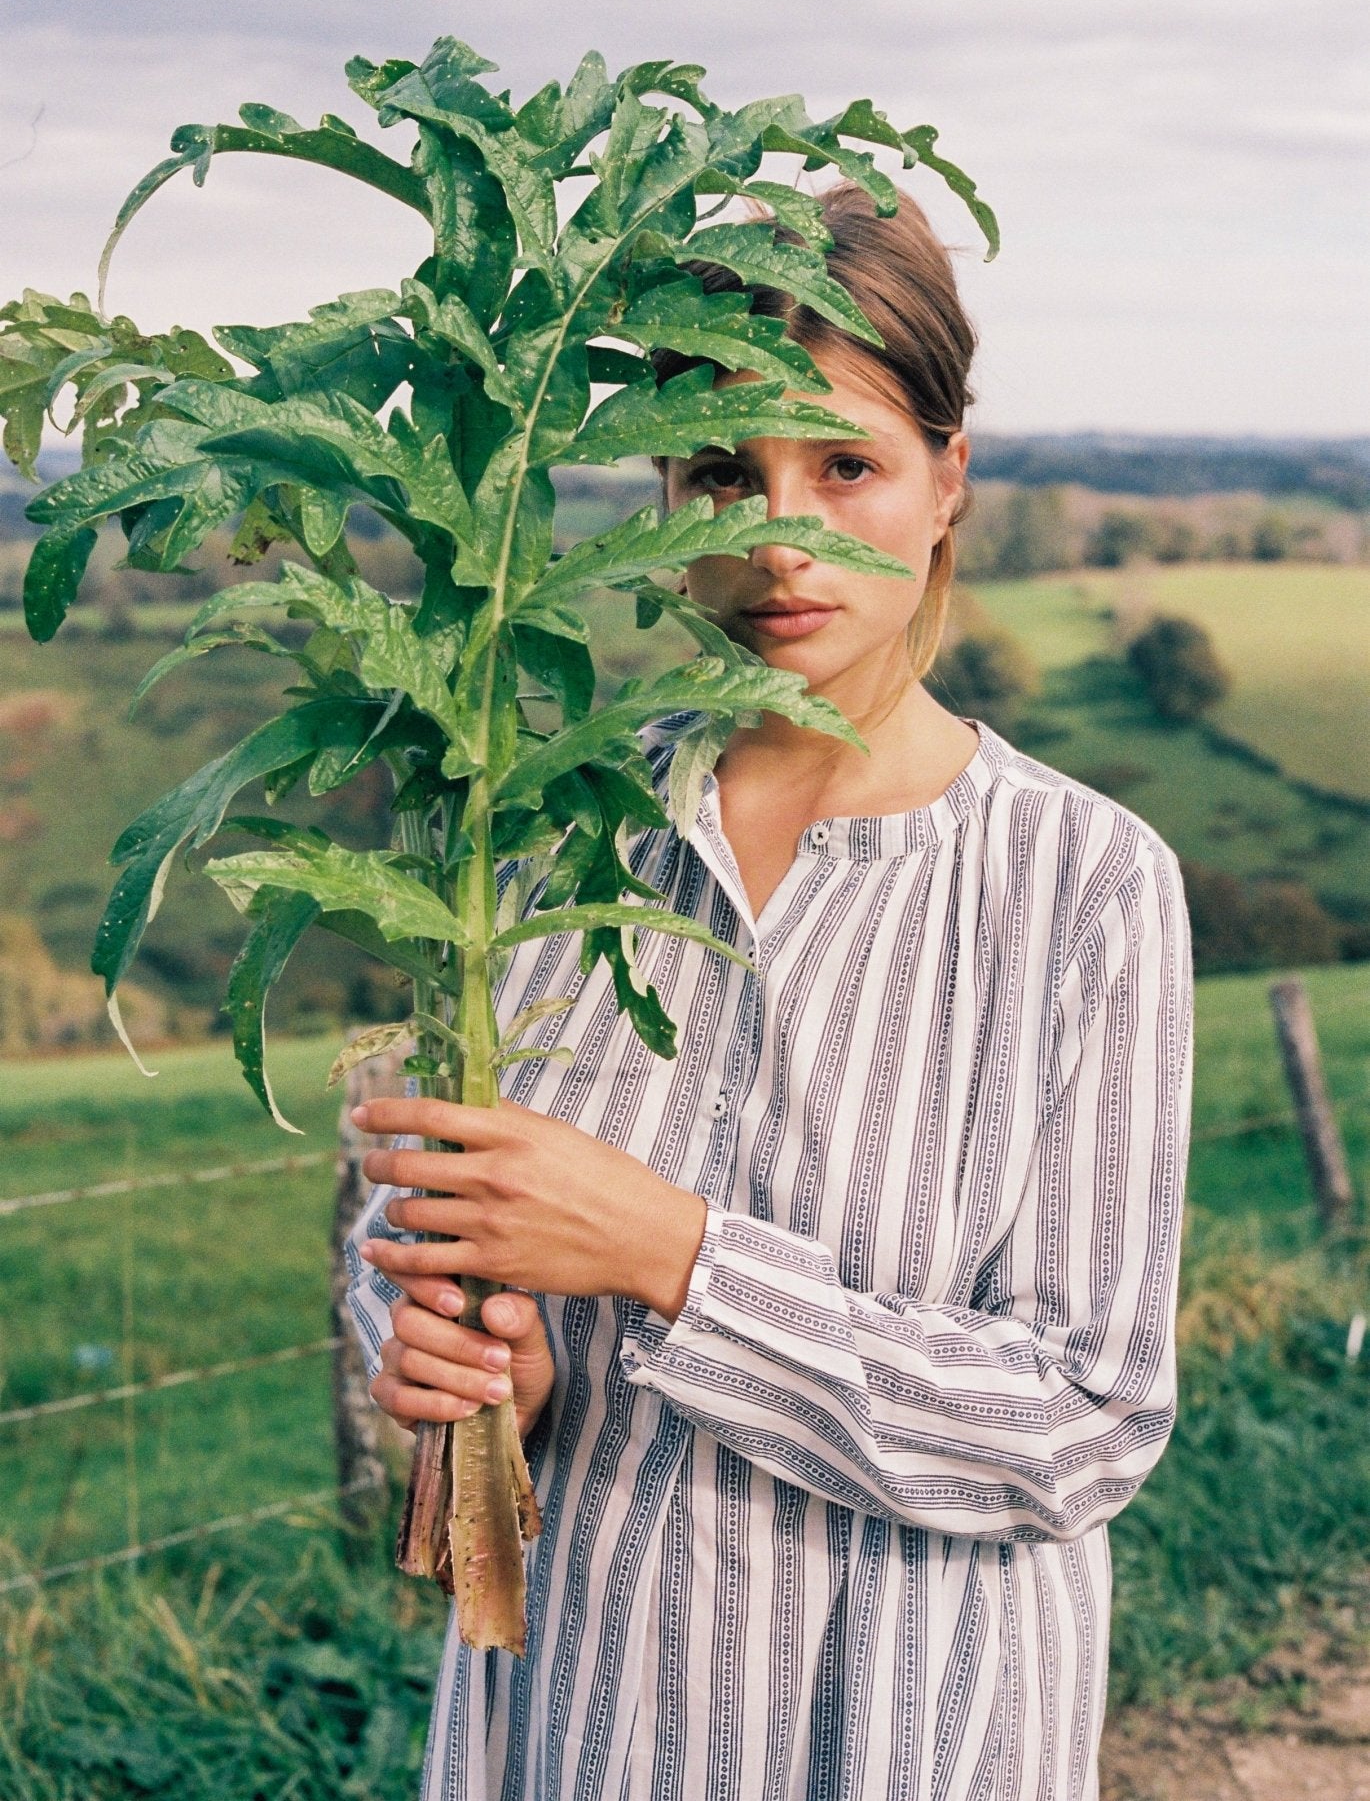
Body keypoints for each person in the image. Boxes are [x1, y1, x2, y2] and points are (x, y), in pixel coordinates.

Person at [343, 182, 1194, 1801]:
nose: (775, 537)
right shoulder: (522, 838)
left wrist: (674, 1260)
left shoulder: (1082, 885)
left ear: (950, 480)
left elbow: (1084, 1422)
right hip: (568, 1729)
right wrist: (443, 1352)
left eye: (846, 467)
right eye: (721, 470)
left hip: (906, 1740)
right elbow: (395, 1232)